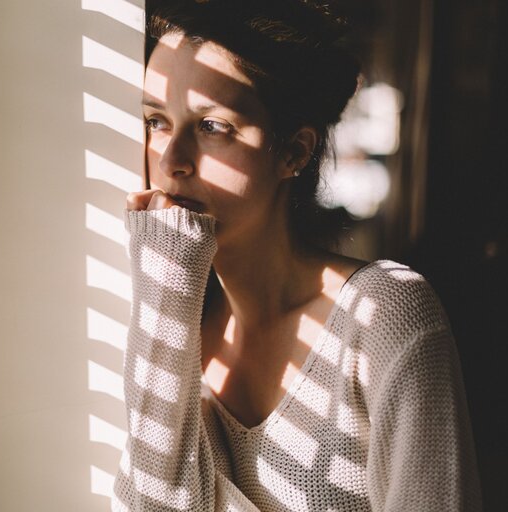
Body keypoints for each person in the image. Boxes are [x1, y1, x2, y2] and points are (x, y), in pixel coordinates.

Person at [113, 1, 481, 510]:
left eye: (212, 126)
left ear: (294, 152)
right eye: (156, 121)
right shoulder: (176, 325)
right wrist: (167, 281)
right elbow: (154, 502)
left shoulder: (384, 318)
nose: (171, 161)